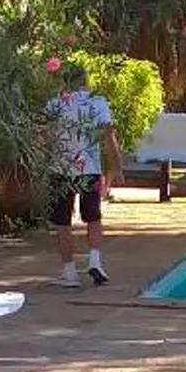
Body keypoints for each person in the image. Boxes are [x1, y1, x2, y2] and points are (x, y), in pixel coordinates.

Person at [41, 60, 117, 286]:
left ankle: (69, 273)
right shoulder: (97, 102)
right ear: (85, 79)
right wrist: (115, 166)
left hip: (61, 169)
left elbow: (44, 135)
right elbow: (108, 135)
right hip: (89, 169)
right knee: (93, 217)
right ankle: (95, 261)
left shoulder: (55, 103)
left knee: (63, 222)